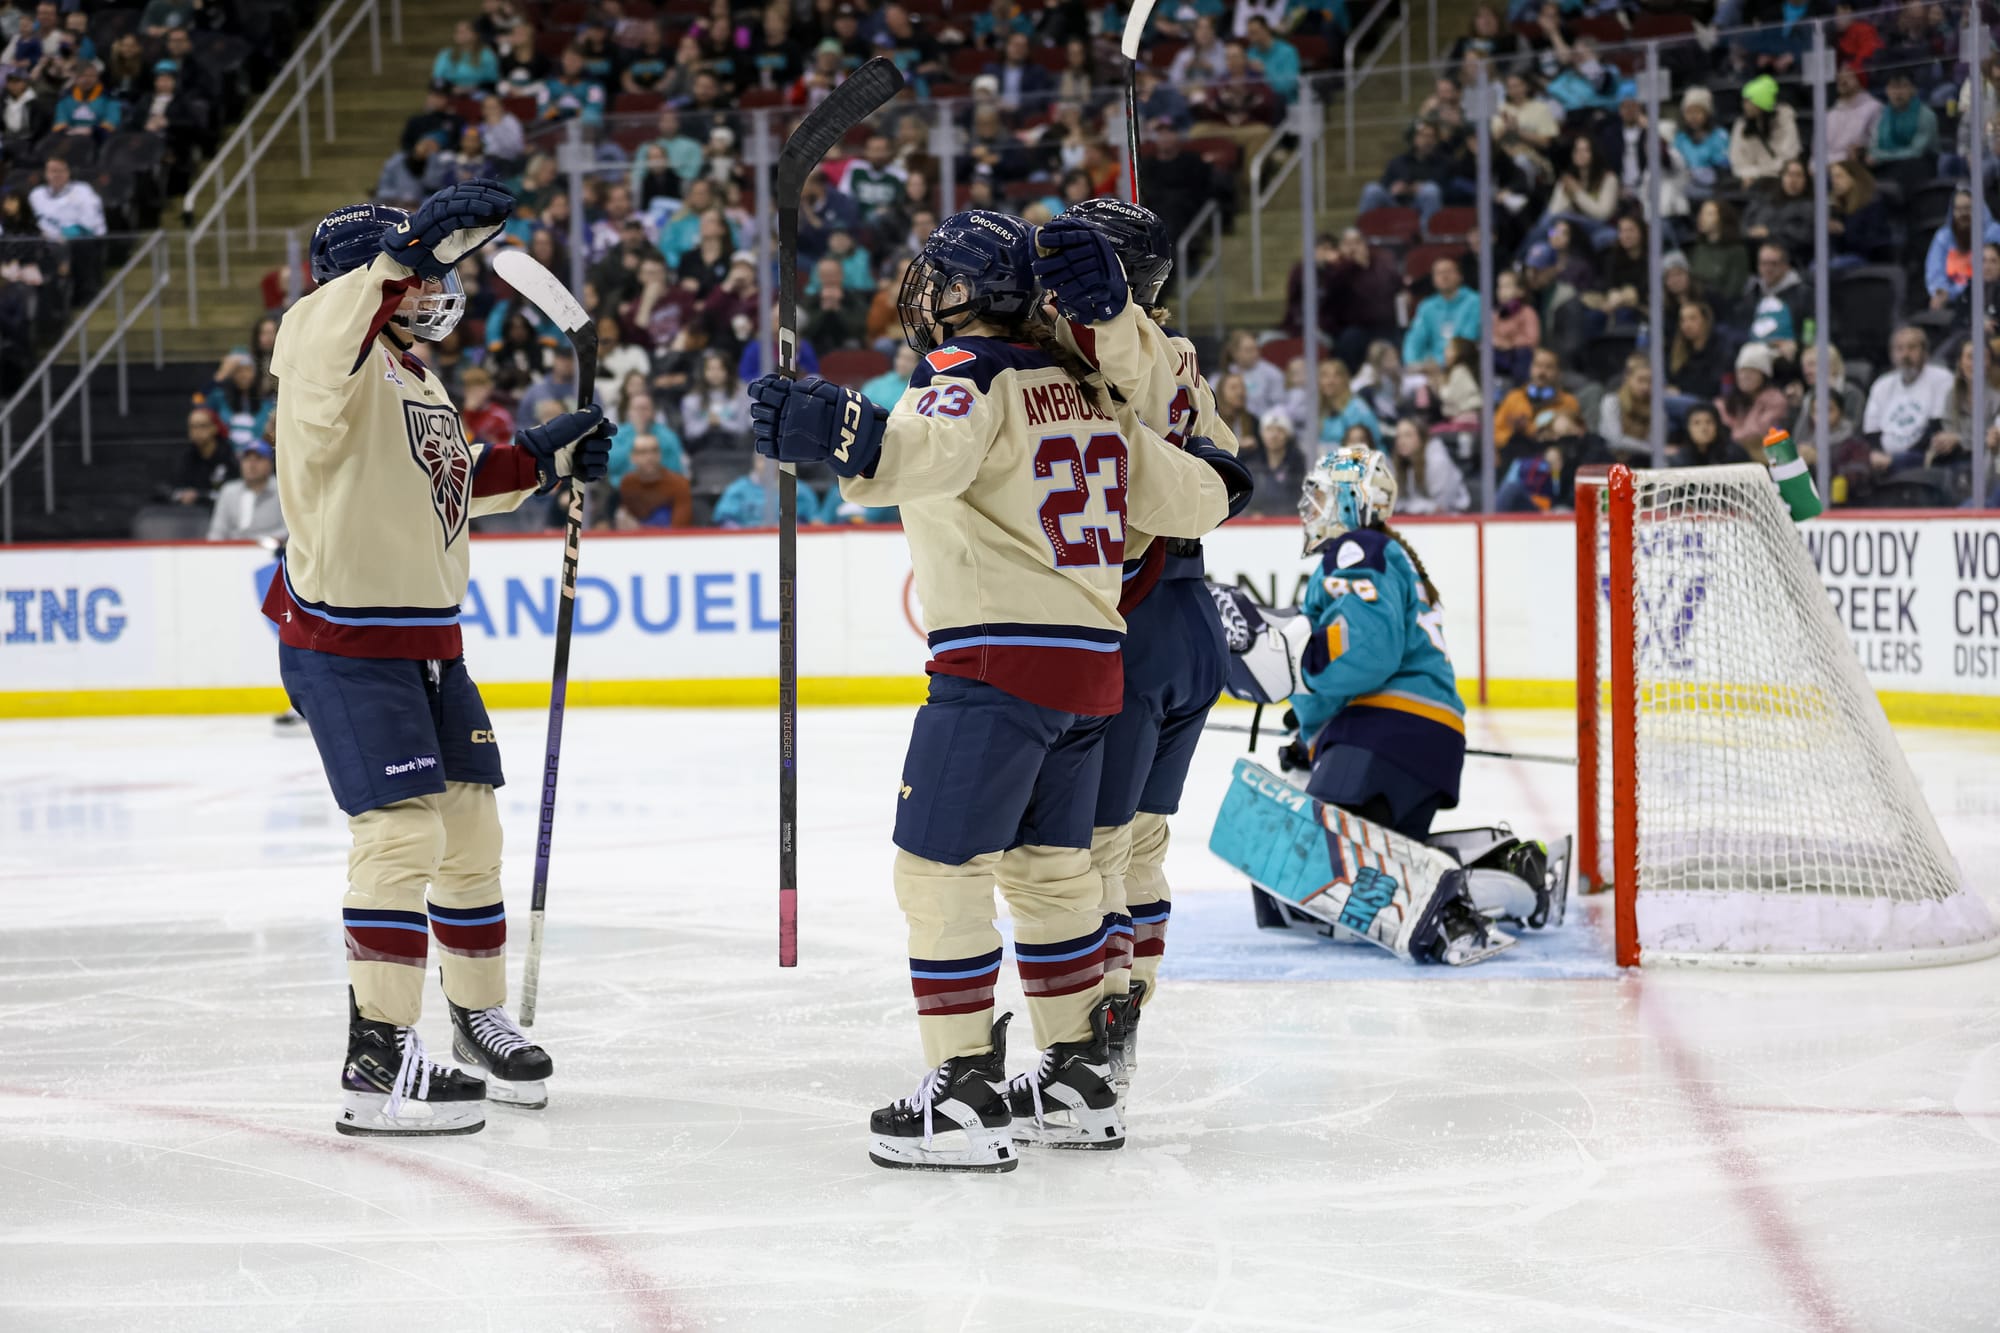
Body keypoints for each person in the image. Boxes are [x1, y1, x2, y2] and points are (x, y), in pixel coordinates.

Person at [745, 209, 1246, 1172]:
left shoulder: (967, 374)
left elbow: (915, 454)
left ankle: (967, 1089)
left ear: (965, 295)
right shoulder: (1095, 392)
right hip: (1091, 677)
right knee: (1054, 874)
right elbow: (1204, 494)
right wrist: (1221, 460)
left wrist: (833, 425)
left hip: (993, 668)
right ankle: (1077, 1074)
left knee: (938, 873)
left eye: (934, 285)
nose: (921, 302)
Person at [266, 185, 612, 1137]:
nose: (431, 285)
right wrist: (394, 254)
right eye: (411, 270)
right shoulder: (320, 349)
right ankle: (375, 1057)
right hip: (346, 640)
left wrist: (545, 459)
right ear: (364, 282)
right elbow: (324, 327)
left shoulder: (411, 374)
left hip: (426, 641)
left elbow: (447, 480)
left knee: (469, 835)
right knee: (399, 839)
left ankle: (474, 1016)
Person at [1038, 197, 1244, 1113]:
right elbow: (1225, 459)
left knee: (1097, 852)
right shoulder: (1179, 355)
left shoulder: (1108, 341)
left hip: (1140, 612)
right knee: (1146, 845)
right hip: (1195, 618)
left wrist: (1106, 313)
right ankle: (1129, 1018)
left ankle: (1098, 1036)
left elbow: (1114, 360)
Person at [1283, 447, 1462, 842]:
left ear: (1352, 500)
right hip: (1430, 740)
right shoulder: (1388, 554)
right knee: (1379, 891)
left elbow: (1364, 651)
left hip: (1381, 734)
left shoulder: (1357, 549)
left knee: (1316, 866)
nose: (1312, 505)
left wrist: (1302, 668)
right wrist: (1310, 736)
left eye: (1323, 494)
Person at [1862, 325, 1953, 456]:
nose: (1905, 355)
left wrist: (1898, 460)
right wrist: (1879, 455)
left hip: (1924, 455)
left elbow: (1937, 427)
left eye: (1912, 348)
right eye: (1899, 349)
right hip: (1884, 458)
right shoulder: (1881, 385)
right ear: (1892, 355)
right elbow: (1871, 433)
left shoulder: (1942, 379)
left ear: (1925, 352)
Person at [1401, 255, 1480, 372]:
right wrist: (1413, 363)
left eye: (1448, 271)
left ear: (1460, 276)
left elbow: (1467, 340)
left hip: (1464, 367)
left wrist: (1439, 364)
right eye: (1439, 273)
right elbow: (1414, 339)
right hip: (1430, 369)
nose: (1444, 276)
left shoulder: (1475, 302)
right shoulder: (1426, 306)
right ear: (1433, 279)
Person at [1924, 190, 2000, 308]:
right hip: (1952, 301)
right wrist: (1941, 291)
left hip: (1991, 297)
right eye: (1958, 209)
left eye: (1968, 208)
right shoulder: (1944, 237)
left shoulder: (1995, 234)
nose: (1963, 214)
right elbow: (1935, 273)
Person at [1493, 347, 1577, 452]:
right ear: (1530, 368)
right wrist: (1515, 435)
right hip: (1517, 455)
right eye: (1538, 366)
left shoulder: (1568, 402)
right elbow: (1494, 434)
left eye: (1549, 367)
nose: (1542, 372)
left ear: (1558, 372)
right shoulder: (1514, 398)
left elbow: (1577, 437)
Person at [206, 437, 286, 541]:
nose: (251, 465)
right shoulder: (228, 491)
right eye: (247, 459)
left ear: (270, 464)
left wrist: (262, 542)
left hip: (271, 551)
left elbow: (289, 529)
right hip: (232, 551)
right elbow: (217, 532)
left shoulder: (282, 490)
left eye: (258, 459)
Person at [1717, 341, 1789, 452]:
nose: (1745, 376)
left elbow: (1755, 433)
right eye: (1742, 371)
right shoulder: (1727, 401)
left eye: (1752, 371)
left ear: (1763, 375)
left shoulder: (1776, 400)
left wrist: (1730, 440)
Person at [1386, 417, 1468, 515]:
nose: (1401, 442)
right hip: (1417, 521)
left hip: (1452, 521)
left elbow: (1441, 507)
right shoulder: (1400, 464)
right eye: (1398, 437)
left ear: (1422, 438)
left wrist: (1409, 506)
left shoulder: (1438, 462)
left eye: (1408, 435)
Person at [1730, 75, 1800, 185]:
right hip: (1755, 181)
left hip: (1781, 179)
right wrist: (1753, 174)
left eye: (1748, 101)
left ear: (1760, 102)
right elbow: (1738, 163)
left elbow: (1789, 156)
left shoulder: (1784, 119)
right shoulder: (1741, 125)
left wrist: (1760, 172)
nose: (1744, 105)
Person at [160, 406, 237, 505]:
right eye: (192, 427)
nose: (196, 431)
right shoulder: (185, 458)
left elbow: (233, 493)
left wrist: (199, 496)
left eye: (202, 426)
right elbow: (169, 486)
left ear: (215, 428)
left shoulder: (229, 458)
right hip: (190, 515)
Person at [615, 433, 693, 527]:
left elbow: (680, 530)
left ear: (660, 455)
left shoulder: (680, 484)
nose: (650, 457)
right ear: (632, 457)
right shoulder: (627, 483)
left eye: (654, 451)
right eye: (643, 452)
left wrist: (640, 529)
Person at [1243, 408, 1308, 515]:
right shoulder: (1251, 466)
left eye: (1280, 430)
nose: (1274, 435)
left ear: (1288, 435)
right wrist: (1251, 513)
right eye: (1269, 429)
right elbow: (1245, 501)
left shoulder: (1297, 467)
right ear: (1261, 434)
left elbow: (1299, 502)